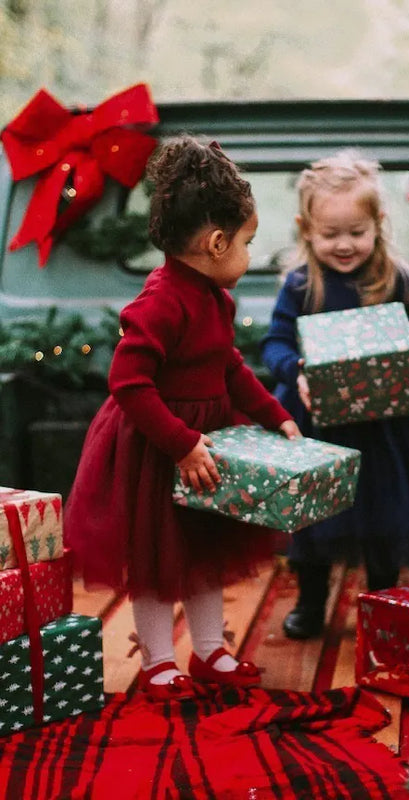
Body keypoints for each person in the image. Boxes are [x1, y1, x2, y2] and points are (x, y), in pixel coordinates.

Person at [64, 136, 300, 699]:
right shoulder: (161, 301)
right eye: (247, 242)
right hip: (158, 450)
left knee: (202, 552)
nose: (248, 253)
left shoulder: (215, 298)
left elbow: (229, 367)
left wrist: (275, 415)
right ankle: (158, 660)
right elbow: (127, 384)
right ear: (217, 242)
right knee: (155, 559)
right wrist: (181, 443)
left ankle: (210, 649)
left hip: (204, 447)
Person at [261, 150, 409, 639]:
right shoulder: (300, 285)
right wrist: (297, 371)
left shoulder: (392, 276)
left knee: (385, 519)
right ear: (306, 229)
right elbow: (274, 343)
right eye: (331, 234)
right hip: (318, 426)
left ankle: (381, 604)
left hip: (387, 431)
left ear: (379, 224)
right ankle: (311, 604)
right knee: (312, 519)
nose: (345, 244)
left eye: (357, 231)